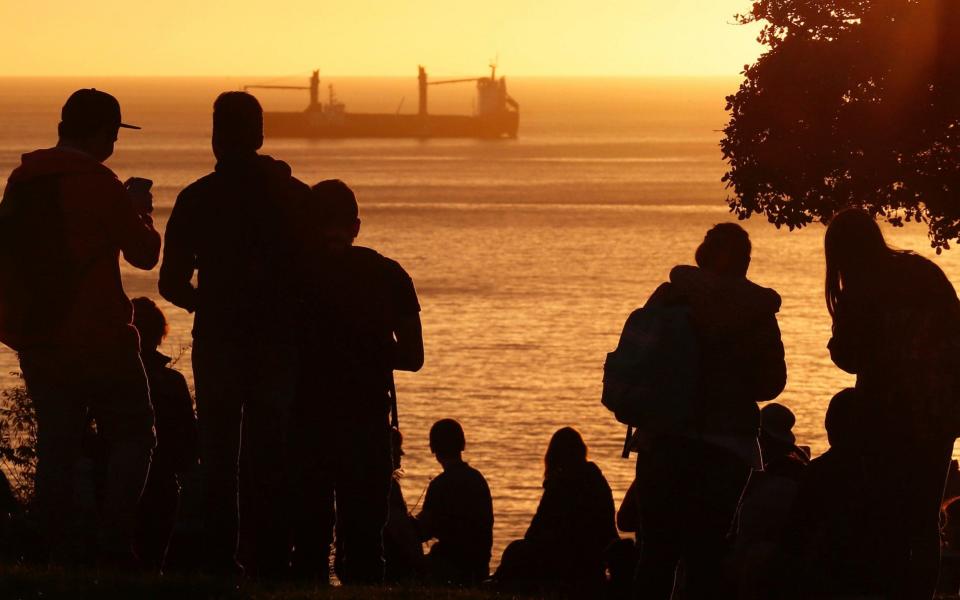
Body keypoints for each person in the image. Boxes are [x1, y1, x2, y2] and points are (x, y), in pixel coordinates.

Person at [0, 89, 159, 566]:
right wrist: (138, 208)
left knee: (58, 443)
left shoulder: (23, 179)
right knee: (135, 433)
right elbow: (145, 254)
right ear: (100, 133)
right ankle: (114, 541)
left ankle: (50, 546)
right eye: (112, 133)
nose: (114, 142)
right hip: (101, 333)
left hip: (41, 335)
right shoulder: (102, 183)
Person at [158, 91, 309, 576]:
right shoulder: (293, 194)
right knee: (273, 449)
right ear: (261, 136)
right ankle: (273, 560)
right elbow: (315, 274)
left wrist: (210, 302)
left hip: (220, 338)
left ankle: (222, 558)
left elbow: (171, 283)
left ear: (216, 138)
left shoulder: (197, 197)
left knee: (219, 454)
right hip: (278, 339)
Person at [632, 223, 787, 599]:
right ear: (745, 263)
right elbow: (771, 384)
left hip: (663, 438)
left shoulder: (670, 297)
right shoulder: (757, 312)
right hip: (727, 446)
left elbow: (638, 359)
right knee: (707, 556)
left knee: (654, 553)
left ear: (703, 254)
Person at [289, 179, 424, 584]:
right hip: (365, 422)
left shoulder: (293, 275)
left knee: (308, 542)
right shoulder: (389, 275)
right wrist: (371, 350)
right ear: (356, 226)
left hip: (305, 420)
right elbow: (414, 357)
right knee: (366, 544)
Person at [823, 208, 960, 599]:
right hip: (937, 414)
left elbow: (849, 356)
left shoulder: (861, 289)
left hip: (885, 418)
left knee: (887, 517)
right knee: (922, 520)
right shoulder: (924, 273)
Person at [777, 388, 881, 598]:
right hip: (867, 575)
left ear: (829, 425)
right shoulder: (883, 475)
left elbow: (796, 530)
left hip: (825, 570)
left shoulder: (817, 472)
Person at [495, 427, 619, 596]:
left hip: (567, 560)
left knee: (516, 550)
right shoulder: (598, 480)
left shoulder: (560, 485)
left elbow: (534, 531)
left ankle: (496, 586)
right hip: (595, 558)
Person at [130, 297, 199, 572]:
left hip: (127, 472)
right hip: (164, 475)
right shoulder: (172, 382)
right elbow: (189, 432)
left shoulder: (112, 380)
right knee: (154, 549)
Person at [413, 419, 493, 585]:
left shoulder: (440, 485)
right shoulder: (477, 479)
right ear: (462, 445)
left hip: (451, 566)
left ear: (432, 448)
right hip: (479, 565)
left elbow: (423, 530)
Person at [382, 427, 426, 583]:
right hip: (393, 568)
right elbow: (401, 532)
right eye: (396, 448)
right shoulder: (388, 488)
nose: (401, 453)